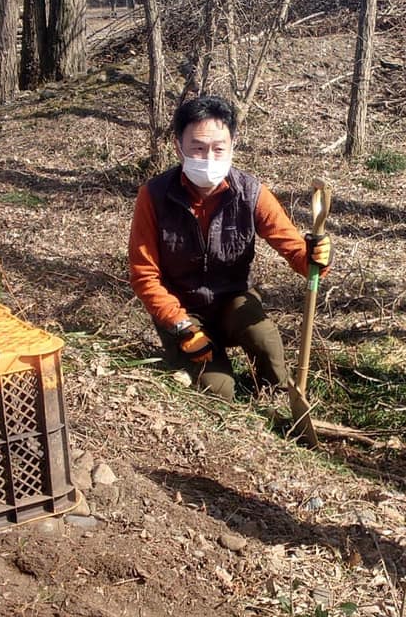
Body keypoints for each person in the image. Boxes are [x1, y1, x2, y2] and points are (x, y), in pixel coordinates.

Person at [128, 95, 331, 399]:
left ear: (233, 144)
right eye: (197, 147)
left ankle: (277, 397)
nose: (208, 157)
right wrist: (180, 325)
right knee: (219, 392)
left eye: (218, 148)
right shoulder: (154, 196)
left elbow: (296, 252)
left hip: (232, 301)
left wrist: (316, 256)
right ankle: (215, 382)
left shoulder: (250, 193)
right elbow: (144, 274)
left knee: (265, 340)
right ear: (178, 146)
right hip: (183, 310)